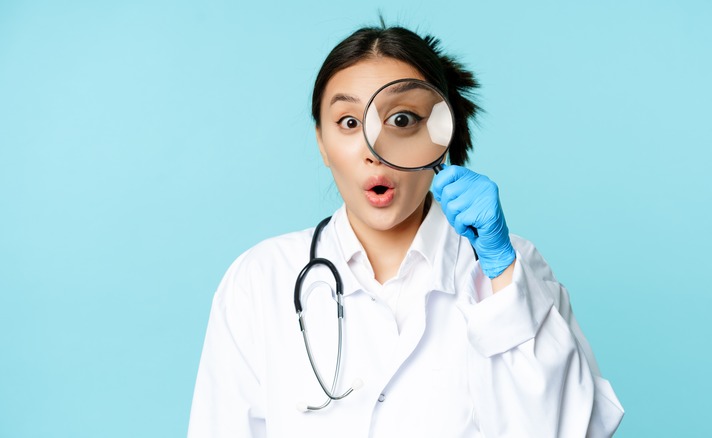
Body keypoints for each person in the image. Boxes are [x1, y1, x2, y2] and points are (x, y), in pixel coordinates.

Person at [188, 22, 624, 437]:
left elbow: (570, 429)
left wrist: (503, 276)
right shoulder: (259, 280)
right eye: (349, 123)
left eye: (401, 120)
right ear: (322, 142)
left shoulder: (512, 268)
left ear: (441, 134)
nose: (373, 153)